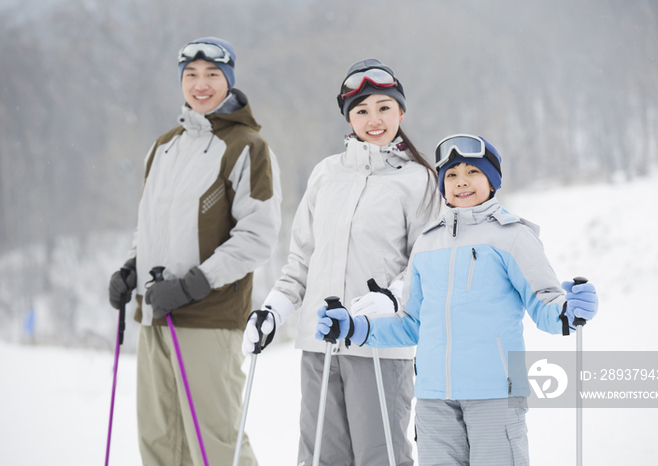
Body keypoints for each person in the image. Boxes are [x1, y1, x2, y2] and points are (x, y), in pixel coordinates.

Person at [316, 134, 600, 466]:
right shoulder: (426, 242)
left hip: (496, 392)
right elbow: (411, 323)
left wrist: (568, 311)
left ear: (492, 181)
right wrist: (355, 327)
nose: (461, 182)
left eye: (472, 173)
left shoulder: (513, 236)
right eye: (451, 175)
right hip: (434, 399)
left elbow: (544, 303)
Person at [241, 59, 439, 465]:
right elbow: (302, 259)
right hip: (320, 343)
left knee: (378, 455)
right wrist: (274, 309)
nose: (374, 119)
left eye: (384, 107)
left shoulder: (419, 180)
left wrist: (394, 299)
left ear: (401, 111)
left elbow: (427, 261)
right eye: (361, 110)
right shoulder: (326, 175)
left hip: (379, 343)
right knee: (319, 457)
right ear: (349, 118)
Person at [108, 36, 281, 466]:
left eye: (212, 75)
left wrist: (192, 286)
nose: (200, 85)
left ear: (229, 81)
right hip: (155, 315)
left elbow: (257, 237)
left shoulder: (247, 147)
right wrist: (132, 268)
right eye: (191, 75)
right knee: (160, 440)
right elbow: (150, 222)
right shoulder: (164, 146)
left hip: (208, 317)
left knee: (215, 444)